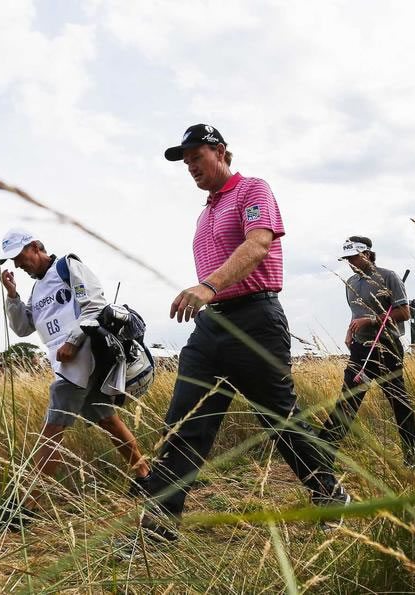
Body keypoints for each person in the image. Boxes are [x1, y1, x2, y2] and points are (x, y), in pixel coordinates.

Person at [140, 124, 348, 541]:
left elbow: (257, 246)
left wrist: (207, 286)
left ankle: (328, 493)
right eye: (186, 162)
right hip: (211, 325)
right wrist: (209, 296)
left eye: (196, 157)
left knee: (279, 419)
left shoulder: (252, 190)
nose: (190, 167)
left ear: (220, 151)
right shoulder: (205, 212)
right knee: (185, 422)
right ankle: (160, 525)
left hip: (255, 320)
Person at [0, 228, 149, 528]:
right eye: (12, 260)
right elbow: (23, 328)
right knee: (105, 418)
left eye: (20, 256)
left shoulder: (67, 266)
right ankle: (146, 476)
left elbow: (95, 304)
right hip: (65, 364)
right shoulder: (36, 291)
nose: (18, 264)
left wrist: (73, 339)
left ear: (35, 246)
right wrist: (13, 295)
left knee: (53, 428)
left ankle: (26, 506)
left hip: (83, 356)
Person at [319, 236, 415, 468]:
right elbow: (356, 313)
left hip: (387, 348)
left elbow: (404, 313)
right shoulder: (350, 282)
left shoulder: (388, 276)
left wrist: (372, 320)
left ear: (366, 254)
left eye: (354, 257)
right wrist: (350, 331)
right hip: (360, 349)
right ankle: (322, 455)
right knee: (348, 401)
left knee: (398, 403)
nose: (350, 262)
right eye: (347, 259)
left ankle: (412, 458)